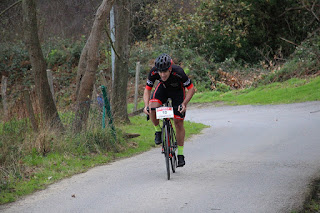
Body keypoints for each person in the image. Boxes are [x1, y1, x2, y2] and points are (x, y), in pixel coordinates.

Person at [143, 53, 195, 167]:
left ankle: (180, 155)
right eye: (160, 72)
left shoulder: (179, 72)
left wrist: (184, 103)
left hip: (177, 92)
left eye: (165, 72)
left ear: (170, 69)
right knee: (152, 107)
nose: (162, 74)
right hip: (163, 89)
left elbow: (191, 89)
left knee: (178, 122)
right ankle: (158, 130)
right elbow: (147, 90)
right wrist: (146, 105)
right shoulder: (154, 72)